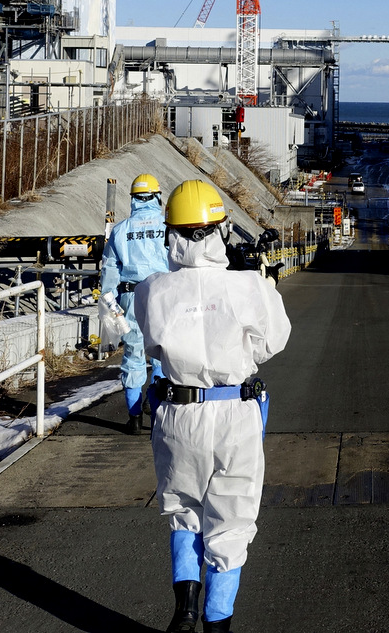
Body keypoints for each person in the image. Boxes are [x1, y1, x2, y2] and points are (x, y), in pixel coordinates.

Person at [136, 179, 290, 633]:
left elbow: (151, 348)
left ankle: (184, 606)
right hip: (233, 412)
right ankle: (216, 624)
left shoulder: (153, 290)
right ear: (220, 230)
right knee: (231, 523)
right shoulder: (247, 286)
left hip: (177, 413)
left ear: (172, 234)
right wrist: (262, 282)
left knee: (184, 511)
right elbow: (272, 343)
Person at [99, 173, 171, 434]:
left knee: (133, 356)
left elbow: (109, 275)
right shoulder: (167, 227)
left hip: (130, 297)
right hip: (163, 296)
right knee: (164, 354)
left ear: (133, 199)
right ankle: (159, 411)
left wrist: (112, 307)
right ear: (157, 196)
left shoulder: (120, 231)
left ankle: (134, 418)